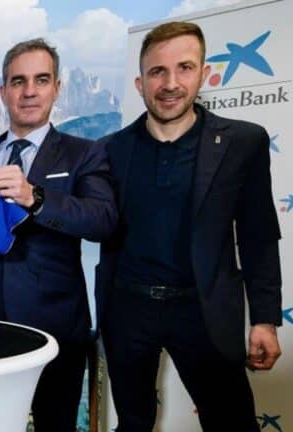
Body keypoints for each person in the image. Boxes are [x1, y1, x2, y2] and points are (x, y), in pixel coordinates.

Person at [97, 21, 282, 431]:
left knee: (232, 423)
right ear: (140, 83)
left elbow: (259, 237)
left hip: (205, 311)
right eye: (157, 72)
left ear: (204, 73)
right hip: (128, 312)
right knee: (132, 423)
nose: (170, 83)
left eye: (184, 68)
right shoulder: (110, 150)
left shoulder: (244, 143)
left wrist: (265, 320)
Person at [0, 38, 117, 431]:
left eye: (41, 80)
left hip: (56, 328)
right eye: (18, 81)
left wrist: (35, 198)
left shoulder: (85, 153)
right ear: (3, 92)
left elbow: (102, 220)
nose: (29, 91)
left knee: (56, 425)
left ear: (57, 88)